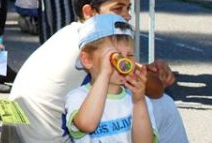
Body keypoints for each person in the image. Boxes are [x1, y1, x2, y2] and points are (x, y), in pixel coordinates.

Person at [5, 0, 188, 143]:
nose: (127, 16)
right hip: (52, 138)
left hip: (23, 133)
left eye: (128, 8)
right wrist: (150, 75)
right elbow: (155, 90)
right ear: (89, 12)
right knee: (164, 105)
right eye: (118, 9)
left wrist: (146, 69)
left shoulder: (72, 34)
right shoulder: (93, 46)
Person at [65, 14, 157, 142]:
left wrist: (139, 102)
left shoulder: (138, 100)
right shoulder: (77, 97)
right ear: (87, 60)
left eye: (129, 55)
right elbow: (87, 124)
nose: (124, 63)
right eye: (115, 57)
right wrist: (105, 73)